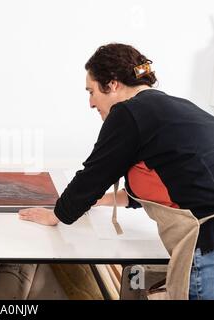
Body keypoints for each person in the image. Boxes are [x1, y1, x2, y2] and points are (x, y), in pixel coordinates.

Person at [18, 43, 214, 300]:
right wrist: (109, 199)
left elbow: (94, 174)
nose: (90, 103)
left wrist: (57, 215)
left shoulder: (129, 112)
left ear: (112, 84)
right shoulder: (179, 109)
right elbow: (175, 180)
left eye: (91, 91)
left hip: (207, 249)